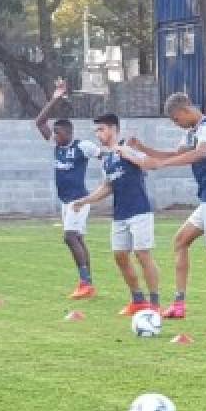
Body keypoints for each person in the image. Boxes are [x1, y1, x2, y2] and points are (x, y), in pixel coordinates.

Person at [123, 93, 206, 339]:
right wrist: (144, 150)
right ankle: (179, 304)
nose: (175, 123)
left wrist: (161, 165)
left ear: (186, 109)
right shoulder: (191, 132)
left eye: (176, 118)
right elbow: (171, 154)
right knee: (180, 241)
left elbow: (200, 154)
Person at [71, 114, 162, 315]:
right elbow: (107, 187)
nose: (98, 134)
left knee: (142, 254)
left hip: (139, 210)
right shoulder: (106, 159)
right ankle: (138, 300)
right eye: (96, 130)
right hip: (120, 214)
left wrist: (129, 154)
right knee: (120, 256)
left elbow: (150, 164)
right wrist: (84, 200)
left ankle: (155, 303)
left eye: (101, 129)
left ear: (113, 129)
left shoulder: (126, 149)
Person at [35, 78, 100, 299]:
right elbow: (39, 121)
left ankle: (85, 282)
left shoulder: (83, 146)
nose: (55, 136)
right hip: (66, 201)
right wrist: (55, 98)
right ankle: (88, 284)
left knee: (70, 237)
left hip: (79, 200)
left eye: (59, 133)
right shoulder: (57, 145)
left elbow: (105, 156)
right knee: (78, 238)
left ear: (69, 133)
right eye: (54, 133)